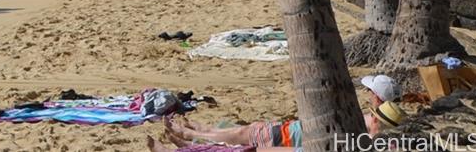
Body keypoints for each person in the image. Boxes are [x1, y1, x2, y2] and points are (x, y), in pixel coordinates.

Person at [148, 74, 404, 150]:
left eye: (371, 91)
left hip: (296, 137)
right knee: (243, 135)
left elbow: (366, 143)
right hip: (299, 133)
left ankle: (190, 139)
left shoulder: (375, 124)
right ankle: (197, 133)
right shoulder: (381, 117)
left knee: (242, 139)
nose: (368, 94)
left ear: (378, 97)